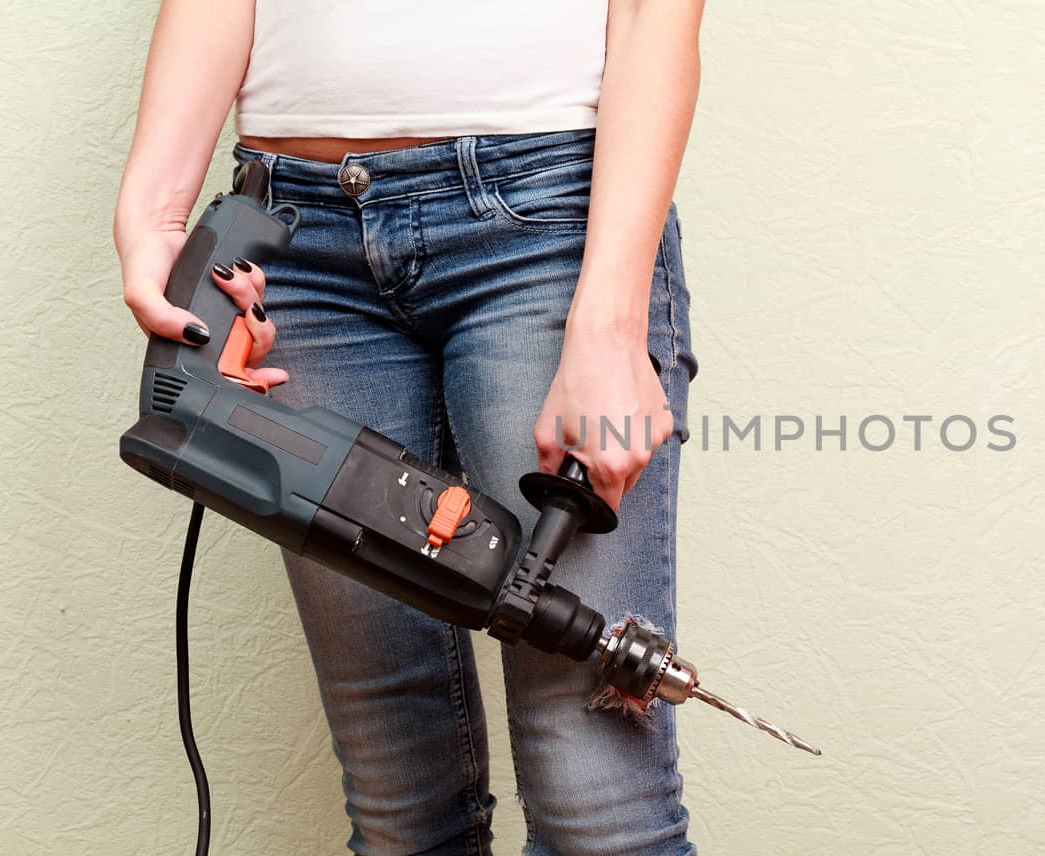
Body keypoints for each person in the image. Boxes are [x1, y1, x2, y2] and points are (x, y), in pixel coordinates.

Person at [115, 1, 704, 853]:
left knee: (597, 809)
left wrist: (611, 327)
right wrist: (157, 220)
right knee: (400, 809)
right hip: (295, 248)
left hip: (546, 229)